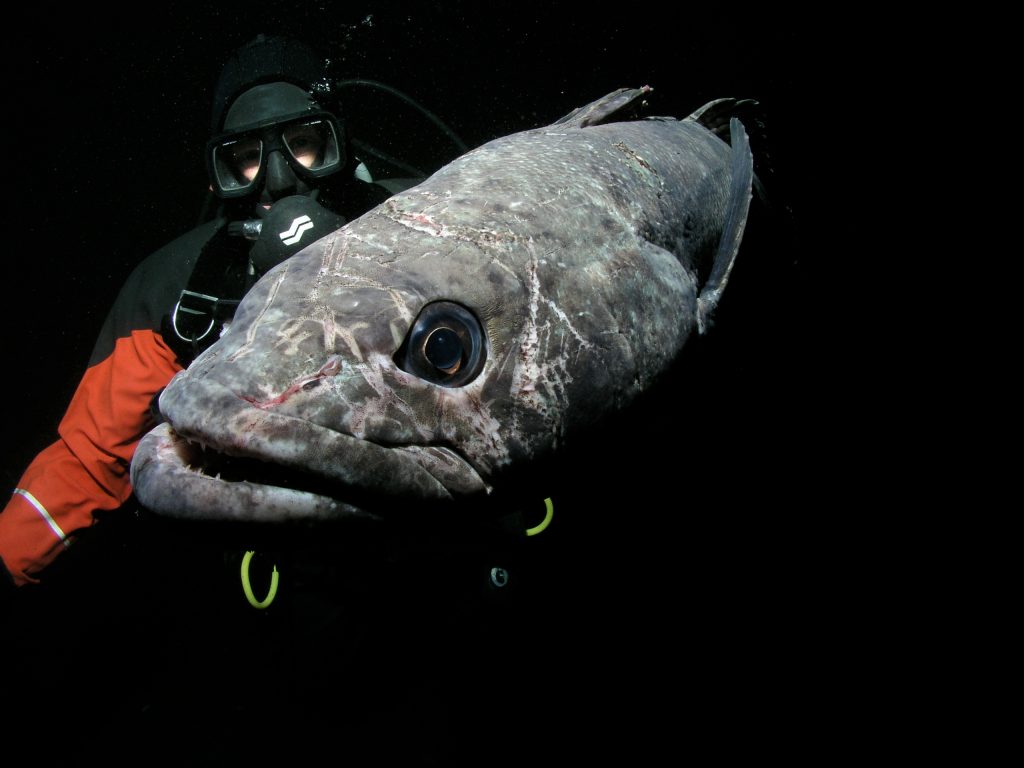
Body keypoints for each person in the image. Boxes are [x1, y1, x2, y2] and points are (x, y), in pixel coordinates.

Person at [0, 34, 405, 591]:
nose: (281, 180)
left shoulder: (426, 214)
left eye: (305, 143)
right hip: (305, 576)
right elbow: (88, 457)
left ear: (339, 140)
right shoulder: (172, 291)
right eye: (246, 159)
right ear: (222, 172)